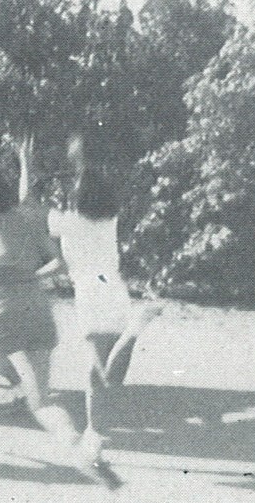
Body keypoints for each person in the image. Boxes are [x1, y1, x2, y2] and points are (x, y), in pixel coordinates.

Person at [0, 154, 116, 495]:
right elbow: (59, 262)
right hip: (35, 306)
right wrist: (25, 275)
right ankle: (86, 457)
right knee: (42, 402)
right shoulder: (28, 218)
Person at [46, 141, 163, 464]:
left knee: (99, 373)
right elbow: (91, 184)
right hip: (113, 287)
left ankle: (94, 437)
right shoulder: (108, 218)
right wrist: (82, 164)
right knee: (107, 374)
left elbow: (25, 204)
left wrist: (28, 165)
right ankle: (94, 437)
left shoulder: (68, 221)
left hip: (91, 292)